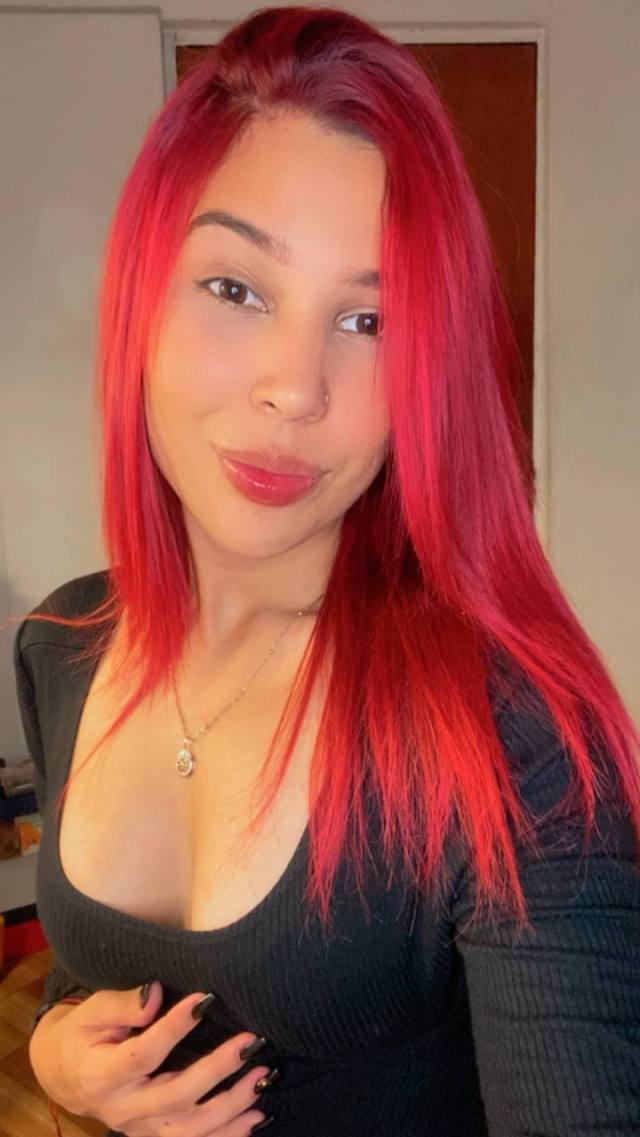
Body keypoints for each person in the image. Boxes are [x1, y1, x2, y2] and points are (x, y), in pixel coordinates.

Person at [10, 5, 640, 1136]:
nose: (294, 388)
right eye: (236, 289)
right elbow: (92, 980)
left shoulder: (511, 737)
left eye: (368, 320)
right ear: (141, 295)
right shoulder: (60, 644)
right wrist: (57, 1049)